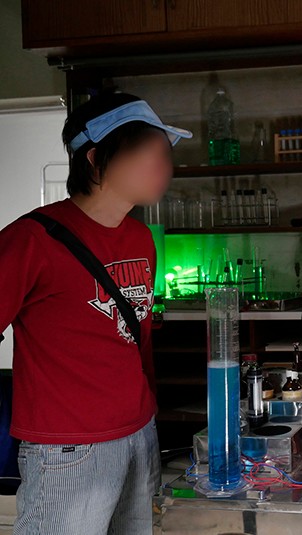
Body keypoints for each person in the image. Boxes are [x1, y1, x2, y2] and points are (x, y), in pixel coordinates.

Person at [0, 92, 191, 534]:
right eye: (149, 153)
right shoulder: (32, 239)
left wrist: (147, 412)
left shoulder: (141, 238)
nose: (164, 167)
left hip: (139, 432)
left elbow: (138, 339)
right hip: (68, 448)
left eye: (166, 154)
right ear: (95, 158)